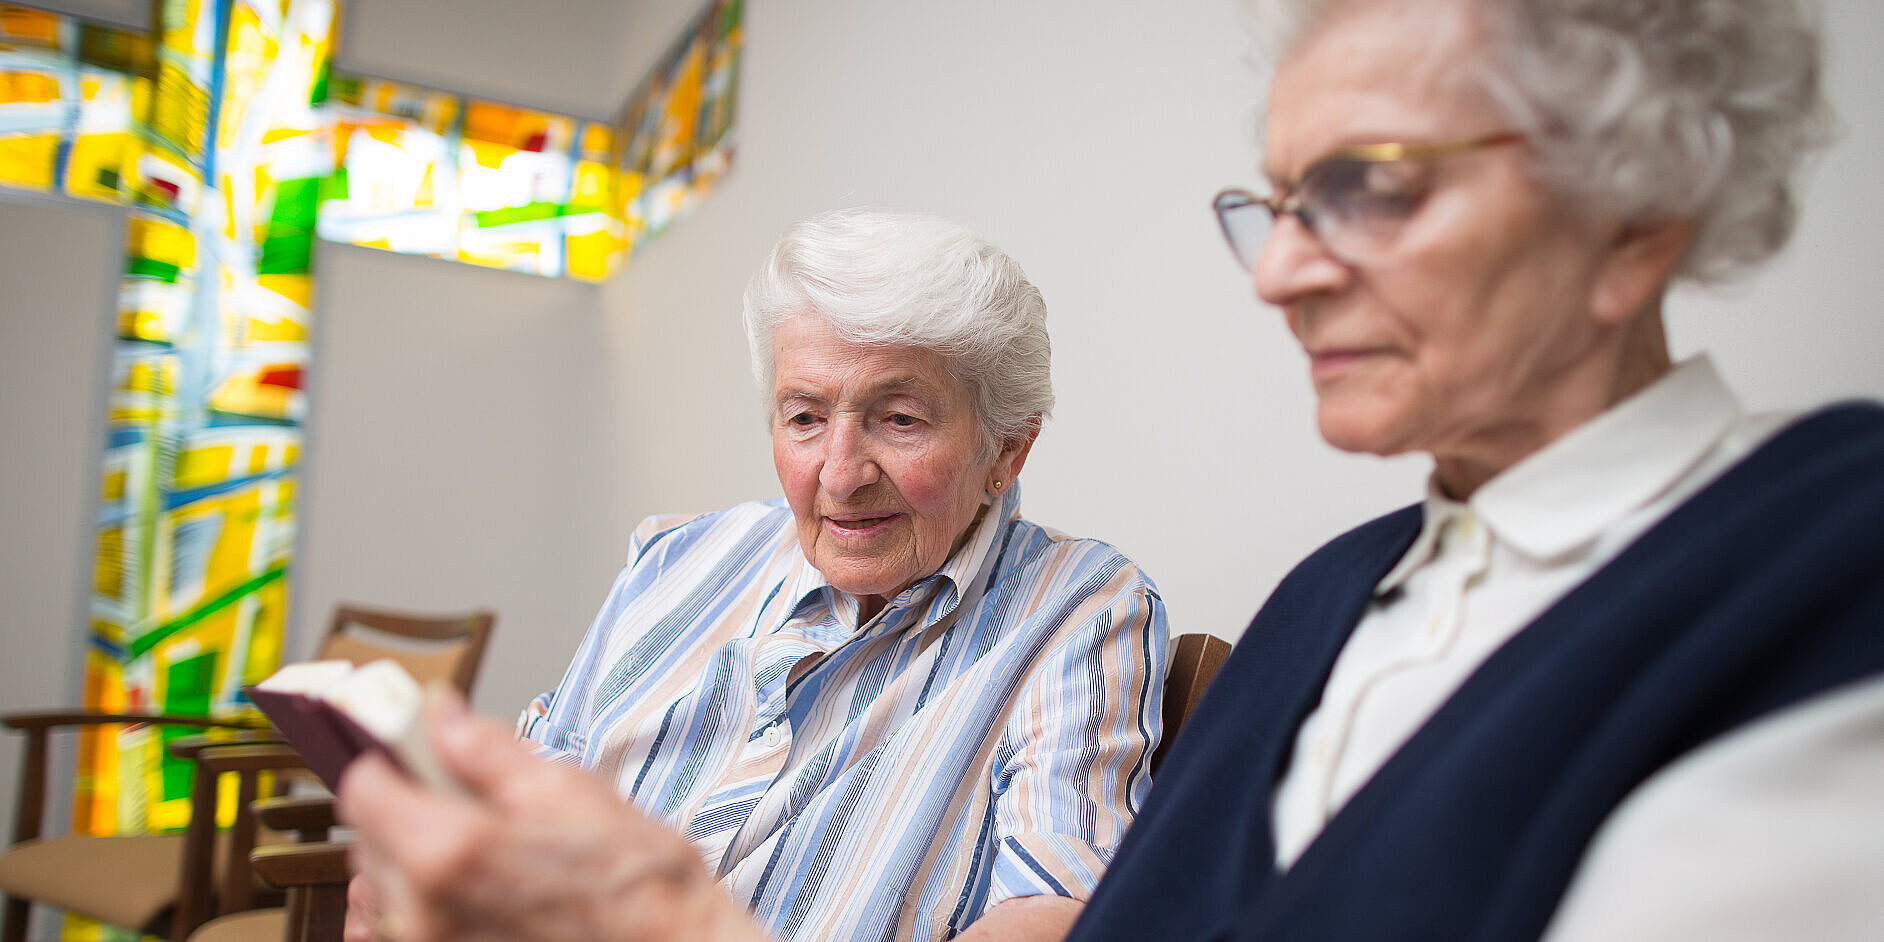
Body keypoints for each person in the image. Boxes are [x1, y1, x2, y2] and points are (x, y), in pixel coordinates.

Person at [1065, 0, 1884, 939]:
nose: (1277, 275)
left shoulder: (1833, 560)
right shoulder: (1327, 589)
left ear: (1632, 221)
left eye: (1371, 187)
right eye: (1281, 207)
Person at [337, 209, 1170, 942]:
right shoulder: (677, 558)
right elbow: (540, 772)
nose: (839, 474)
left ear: (1007, 450)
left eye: (900, 419)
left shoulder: (1079, 606)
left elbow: (1057, 907)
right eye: (804, 416)